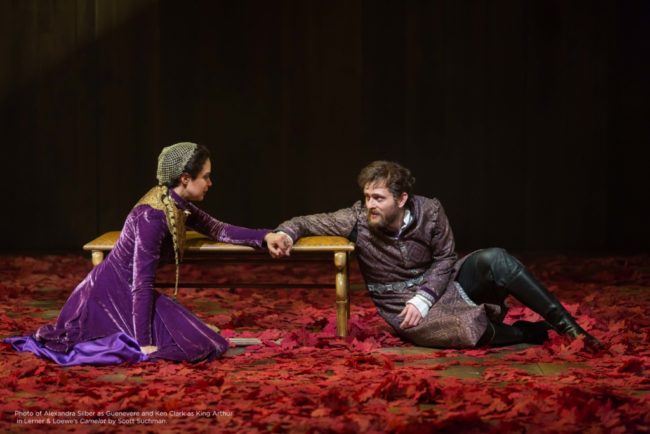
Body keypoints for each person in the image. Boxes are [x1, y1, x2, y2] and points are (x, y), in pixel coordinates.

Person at [265, 160, 602, 351]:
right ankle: (531, 332)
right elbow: (308, 221)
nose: (370, 204)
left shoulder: (430, 211)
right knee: (461, 332)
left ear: (401, 199)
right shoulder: (356, 218)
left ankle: (571, 329)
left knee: (495, 258)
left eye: (378, 198)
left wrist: (426, 296)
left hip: (441, 286)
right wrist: (285, 232)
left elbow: (445, 258)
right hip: (403, 307)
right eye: (367, 196)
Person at [5, 142, 278, 365]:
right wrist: (143, 342)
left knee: (204, 340)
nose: (210, 182)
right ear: (185, 178)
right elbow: (141, 284)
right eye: (205, 176)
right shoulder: (153, 216)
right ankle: (135, 341)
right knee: (194, 345)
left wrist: (265, 236)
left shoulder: (175, 202)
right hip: (109, 295)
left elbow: (218, 229)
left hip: (126, 290)